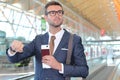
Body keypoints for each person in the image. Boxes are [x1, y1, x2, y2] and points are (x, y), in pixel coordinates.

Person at [6, 1, 89, 80]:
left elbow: (84, 70)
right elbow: (14, 59)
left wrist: (59, 66)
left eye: (59, 12)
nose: (57, 15)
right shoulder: (39, 40)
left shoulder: (74, 40)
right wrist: (12, 49)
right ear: (45, 17)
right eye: (52, 13)